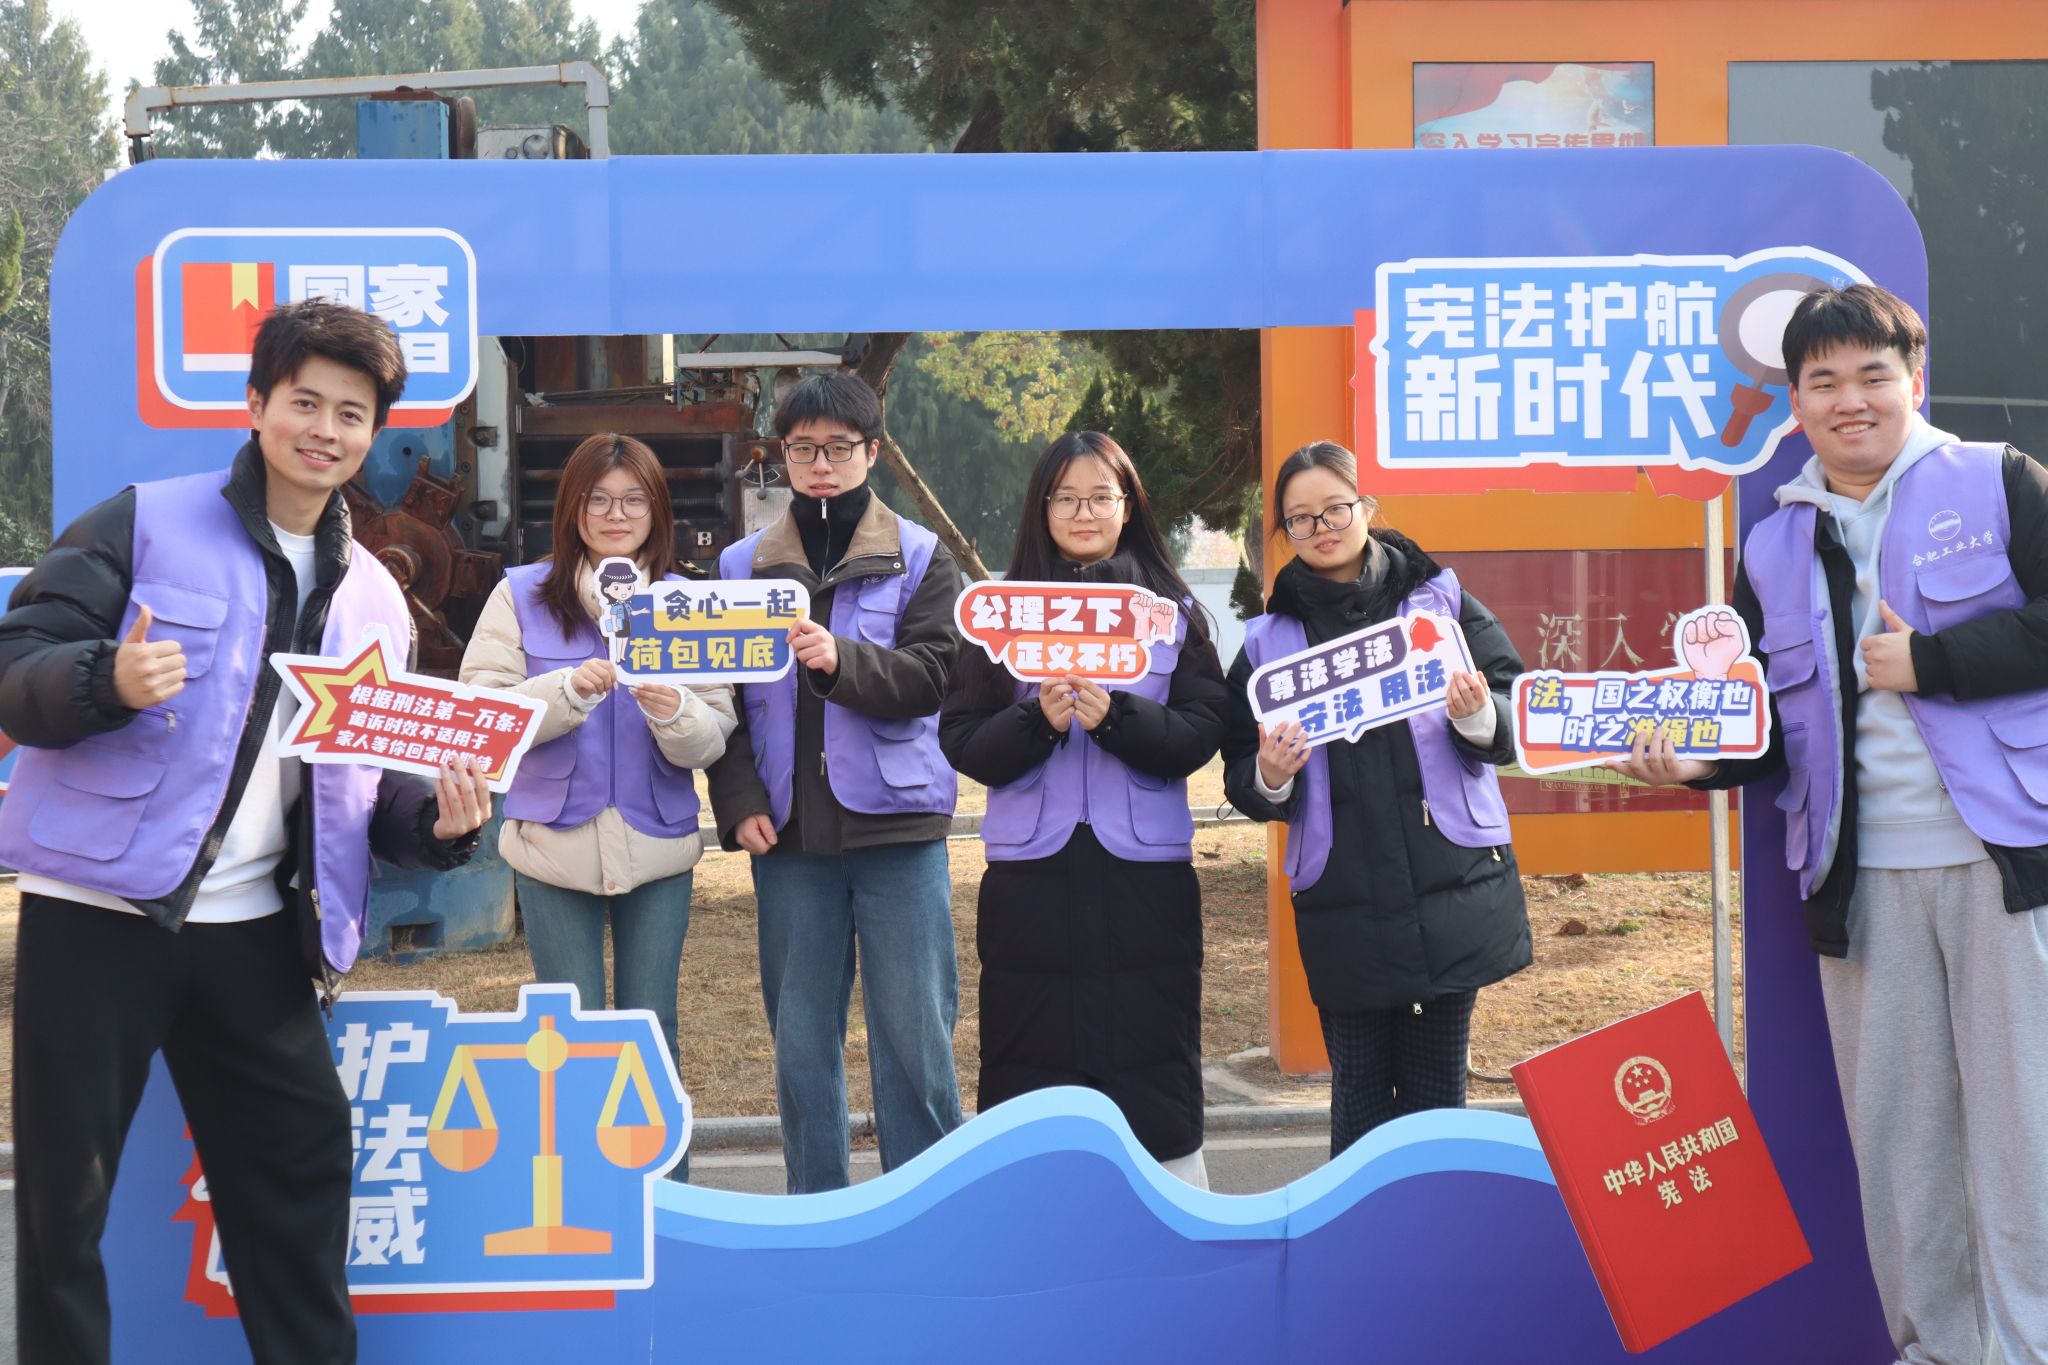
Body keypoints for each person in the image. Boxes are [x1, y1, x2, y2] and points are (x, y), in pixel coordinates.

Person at [0, 300, 492, 1365]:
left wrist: (439, 823)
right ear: (257, 403)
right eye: (305, 402)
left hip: (258, 934)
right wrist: (103, 679)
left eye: (351, 414)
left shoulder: (375, 597)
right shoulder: (142, 523)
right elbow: (17, 665)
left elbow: (370, 792)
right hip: (98, 918)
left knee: (300, 1180)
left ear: (374, 433)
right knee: (62, 1207)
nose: (325, 429)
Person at [1612, 283, 2048, 1365]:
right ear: (1795, 403)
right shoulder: (1771, 545)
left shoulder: (2000, 480)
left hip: (2009, 868)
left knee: (2027, 1134)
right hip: (1858, 885)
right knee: (1899, 1144)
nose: (1849, 399)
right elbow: (1762, 721)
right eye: (1823, 381)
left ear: (1914, 378)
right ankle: (1936, 1350)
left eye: (1870, 374)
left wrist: (1934, 661)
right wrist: (1696, 759)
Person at [1223, 440, 1531, 1159]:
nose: (1321, 527)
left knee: (1437, 1103)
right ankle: (1364, 1234)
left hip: (1452, 889)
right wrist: (1270, 774)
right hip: (1343, 904)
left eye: (1335, 508)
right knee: (1358, 1102)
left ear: (1366, 507)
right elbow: (1239, 764)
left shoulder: (1441, 601)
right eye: (1301, 518)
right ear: (1285, 532)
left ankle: (1436, 1230)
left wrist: (1478, 717)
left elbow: (1514, 699)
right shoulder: (1270, 643)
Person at [940, 432, 1227, 1188]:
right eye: (1065, 497)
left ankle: (1171, 1212)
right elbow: (962, 738)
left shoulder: (1172, 613)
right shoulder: (999, 613)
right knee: (1028, 1047)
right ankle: (1035, 1211)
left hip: (1146, 873)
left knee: (1152, 1046)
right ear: (1042, 509)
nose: (1084, 512)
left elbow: (1203, 731)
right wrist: (1037, 720)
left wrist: (1117, 718)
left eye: (1101, 496)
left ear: (1129, 506)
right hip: (1030, 874)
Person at [706, 371, 965, 1194]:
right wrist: (739, 801)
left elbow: (935, 676)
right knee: (801, 1040)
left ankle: (923, 1206)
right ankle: (814, 1211)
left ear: (873, 452)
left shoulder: (920, 556)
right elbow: (722, 700)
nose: (821, 465)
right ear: (781, 455)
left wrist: (840, 660)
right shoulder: (740, 564)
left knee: (915, 1036)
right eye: (804, 449)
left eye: (840, 448)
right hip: (788, 836)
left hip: (898, 831)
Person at [458, 433, 735, 1183]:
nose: (617, 514)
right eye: (599, 499)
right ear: (572, 509)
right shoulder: (519, 595)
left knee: (653, 1024)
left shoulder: (686, 603)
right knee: (566, 1031)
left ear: (658, 510)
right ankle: (579, 1197)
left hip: (658, 845)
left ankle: (668, 1197)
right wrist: (566, 690)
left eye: (634, 499)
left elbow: (713, 735)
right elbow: (484, 715)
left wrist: (678, 710)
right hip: (551, 845)